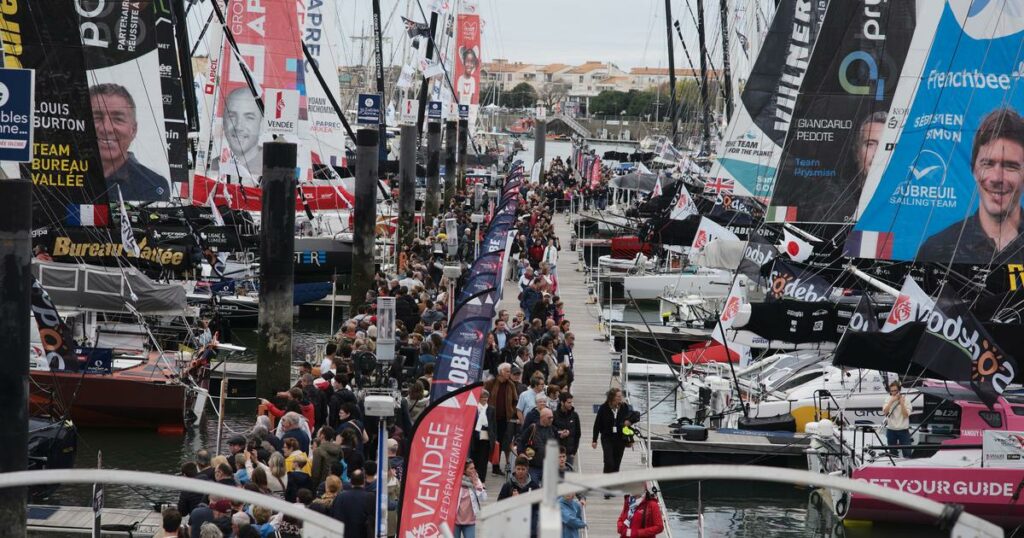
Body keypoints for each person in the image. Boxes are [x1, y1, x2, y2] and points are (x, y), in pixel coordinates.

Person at [918, 108, 1024, 262]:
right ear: (974, 170)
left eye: (1010, 166)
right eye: (987, 164)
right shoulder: (935, 250)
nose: (996, 178)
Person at [89, 83, 170, 201]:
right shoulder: (60, 178)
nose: (106, 128)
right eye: (96, 117)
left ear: (134, 130)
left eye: (118, 119)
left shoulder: (153, 185)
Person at [220, 87, 264, 181]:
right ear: (223, 121)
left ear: (261, 124)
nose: (238, 127)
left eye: (249, 118)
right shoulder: (215, 165)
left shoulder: (271, 168)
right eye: (232, 116)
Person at [484, 363, 519, 476]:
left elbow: (515, 400)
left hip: (504, 419)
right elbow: (484, 397)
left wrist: (511, 411)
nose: (509, 373)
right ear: (501, 372)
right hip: (491, 418)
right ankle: (484, 463)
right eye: (507, 371)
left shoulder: (511, 385)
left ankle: (496, 466)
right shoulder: (491, 383)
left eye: (509, 371)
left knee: (499, 441)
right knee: (489, 441)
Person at [593, 388, 632, 474]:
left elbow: (630, 421)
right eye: (618, 396)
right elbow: (597, 425)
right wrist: (594, 440)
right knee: (609, 462)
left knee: (616, 463)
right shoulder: (604, 408)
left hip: (620, 438)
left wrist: (630, 438)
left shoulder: (624, 407)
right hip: (607, 438)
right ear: (612, 397)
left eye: (621, 396)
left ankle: (613, 481)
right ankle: (606, 479)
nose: (620, 398)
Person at [515, 407, 558, 484]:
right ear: (542, 417)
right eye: (549, 418)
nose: (552, 419)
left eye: (552, 417)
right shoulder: (533, 428)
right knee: (534, 488)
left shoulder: (553, 429)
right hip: (533, 467)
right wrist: (521, 453)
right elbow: (521, 442)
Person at [330, 469, 375, 538]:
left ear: (350, 481)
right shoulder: (370, 498)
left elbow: (333, 517)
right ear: (364, 481)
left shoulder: (340, 497)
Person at [453, 461, 487, 538]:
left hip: (470, 521)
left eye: (474, 468)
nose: (474, 470)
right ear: (464, 470)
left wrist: (477, 485)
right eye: (471, 468)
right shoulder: (456, 481)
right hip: (455, 521)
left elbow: (484, 498)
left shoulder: (476, 480)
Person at [883, 381, 913, 458]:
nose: (893, 393)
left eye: (895, 390)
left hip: (903, 430)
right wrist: (892, 401)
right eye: (892, 391)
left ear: (899, 390)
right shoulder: (888, 399)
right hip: (891, 430)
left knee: (907, 453)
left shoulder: (906, 400)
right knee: (892, 453)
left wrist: (902, 403)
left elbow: (906, 415)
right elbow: (885, 412)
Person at [471, 389, 496, 478]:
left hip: (486, 437)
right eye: (483, 397)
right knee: (474, 458)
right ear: (479, 398)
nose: (485, 399)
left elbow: (493, 425)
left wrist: (494, 438)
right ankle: (473, 477)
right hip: (475, 436)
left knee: (483, 459)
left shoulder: (491, 409)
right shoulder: (474, 408)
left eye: (486, 398)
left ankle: (482, 480)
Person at [553, 392, 582, 466]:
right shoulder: (554, 415)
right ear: (562, 402)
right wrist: (559, 434)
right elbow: (551, 430)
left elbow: (578, 434)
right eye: (569, 402)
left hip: (569, 453)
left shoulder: (574, 415)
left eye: (571, 402)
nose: (571, 404)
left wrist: (574, 452)